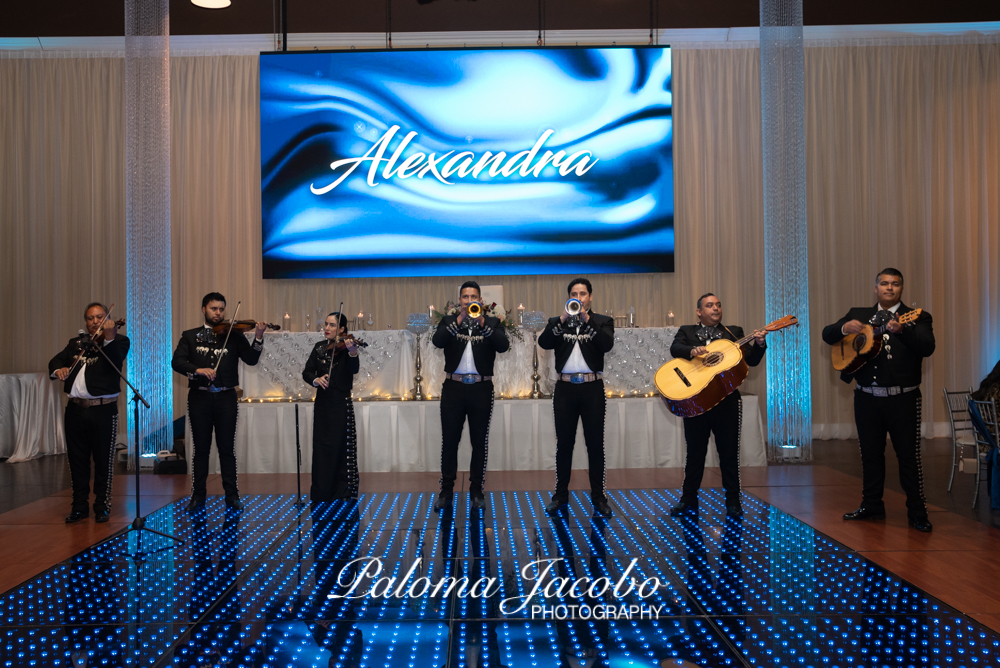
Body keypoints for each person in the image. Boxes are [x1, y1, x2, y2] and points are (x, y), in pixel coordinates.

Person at [822, 268, 935, 532]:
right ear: (876, 288)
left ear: (901, 289)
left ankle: (917, 512)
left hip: (903, 399)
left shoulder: (918, 317)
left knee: (908, 456)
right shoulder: (858, 315)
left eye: (895, 284)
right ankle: (872, 505)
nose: (889, 288)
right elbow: (828, 335)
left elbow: (928, 347)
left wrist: (902, 330)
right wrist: (842, 327)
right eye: (884, 283)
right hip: (867, 398)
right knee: (870, 455)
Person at [667, 294, 767, 518]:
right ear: (699, 312)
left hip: (726, 401)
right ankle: (688, 499)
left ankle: (733, 501)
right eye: (710, 305)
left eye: (718, 305)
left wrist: (760, 344)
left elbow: (750, 360)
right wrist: (692, 351)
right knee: (695, 453)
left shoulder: (734, 333)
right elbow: (675, 348)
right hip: (697, 402)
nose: (715, 309)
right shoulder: (687, 331)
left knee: (729, 454)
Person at [172, 292, 266, 511]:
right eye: (214, 309)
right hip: (199, 398)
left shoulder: (234, 335)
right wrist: (197, 369)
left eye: (221, 309)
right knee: (201, 449)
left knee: (226, 449)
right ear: (203, 309)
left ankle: (232, 496)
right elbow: (177, 362)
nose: (218, 313)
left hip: (226, 397)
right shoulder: (190, 335)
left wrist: (259, 337)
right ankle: (198, 497)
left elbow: (251, 360)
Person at [538, 278, 615, 516]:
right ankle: (560, 495)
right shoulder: (557, 322)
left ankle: (599, 497)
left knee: (595, 445)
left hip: (592, 389)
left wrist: (587, 319)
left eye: (583, 294)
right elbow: (544, 342)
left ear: (590, 297)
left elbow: (606, 345)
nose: (579, 298)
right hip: (565, 390)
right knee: (564, 445)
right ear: (569, 296)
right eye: (574, 293)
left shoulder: (602, 321)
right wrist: (562, 319)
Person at [431, 281, 510, 511]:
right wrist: (458, 321)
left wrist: (483, 323)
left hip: (481, 389)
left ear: (480, 301)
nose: (469, 301)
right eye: (465, 297)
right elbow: (437, 341)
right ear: (460, 301)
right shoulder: (448, 322)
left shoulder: (493, 322)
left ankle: (477, 491)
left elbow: (503, 346)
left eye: (473, 297)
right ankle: (446, 492)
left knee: (479, 442)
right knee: (449, 442)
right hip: (453, 388)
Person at [48, 303, 130, 523]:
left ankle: (102, 506)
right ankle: (79, 506)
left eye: (100, 317)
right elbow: (55, 361)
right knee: (77, 461)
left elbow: (115, 357)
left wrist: (110, 335)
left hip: (103, 410)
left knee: (103, 461)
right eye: (90, 318)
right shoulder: (77, 344)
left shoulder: (119, 341)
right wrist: (59, 370)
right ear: (86, 321)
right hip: (74, 410)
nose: (95, 321)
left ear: (108, 318)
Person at [302, 312, 361, 502]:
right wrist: (315, 379)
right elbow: (307, 371)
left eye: (332, 325)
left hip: (341, 403)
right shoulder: (319, 348)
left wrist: (353, 352)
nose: (326, 328)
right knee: (322, 447)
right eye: (326, 324)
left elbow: (354, 369)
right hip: (323, 404)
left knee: (341, 448)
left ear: (342, 329)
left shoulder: (347, 347)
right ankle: (322, 491)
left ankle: (343, 492)